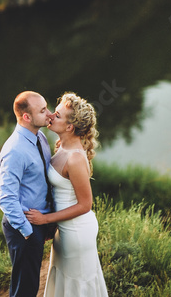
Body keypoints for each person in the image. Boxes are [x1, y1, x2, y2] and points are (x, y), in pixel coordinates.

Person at [26, 92, 109, 297]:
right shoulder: (61, 147)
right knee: (64, 281)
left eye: (58, 115)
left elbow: (85, 205)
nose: (52, 116)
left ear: (70, 127)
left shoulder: (75, 159)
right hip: (62, 229)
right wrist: (51, 225)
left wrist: (45, 219)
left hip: (77, 232)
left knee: (77, 285)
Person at [0, 91, 55, 297]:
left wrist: (48, 220)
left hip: (39, 222)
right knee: (25, 289)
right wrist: (28, 231)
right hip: (23, 226)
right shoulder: (15, 150)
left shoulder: (39, 137)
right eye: (42, 110)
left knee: (29, 285)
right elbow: (6, 197)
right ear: (26, 117)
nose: (49, 114)